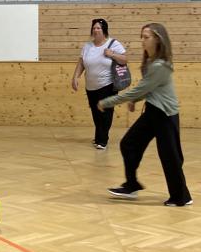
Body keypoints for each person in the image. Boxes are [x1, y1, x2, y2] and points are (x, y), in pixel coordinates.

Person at [97, 23, 192, 207]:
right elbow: (149, 88)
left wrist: (107, 102)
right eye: (141, 36)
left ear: (158, 39)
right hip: (152, 111)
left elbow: (140, 89)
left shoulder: (160, 65)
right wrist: (135, 100)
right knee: (129, 144)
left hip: (165, 115)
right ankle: (131, 185)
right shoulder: (151, 62)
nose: (142, 40)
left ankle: (182, 197)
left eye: (146, 37)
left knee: (170, 156)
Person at [71, 18, 127, 150]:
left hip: (108, 84)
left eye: (98, 28)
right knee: (96, 112)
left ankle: (102, 140)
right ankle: (98, 137)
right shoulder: (87, 46)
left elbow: (125, 59)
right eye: (94, 28)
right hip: (91, 86)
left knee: (105, 112)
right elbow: (81, 63)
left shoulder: (113, 44)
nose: (96, 30)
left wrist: (112, 54)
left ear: (104, 30)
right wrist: (75, 76)